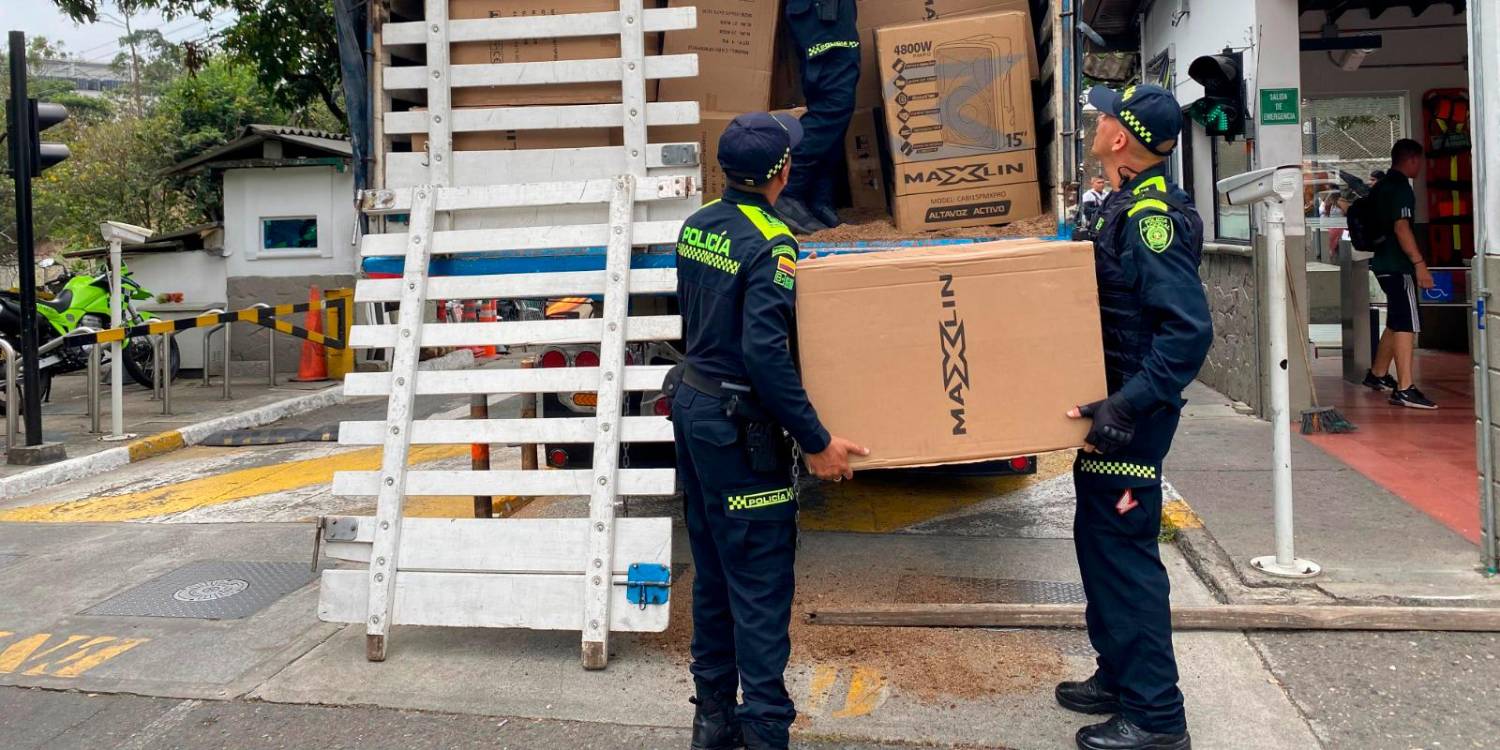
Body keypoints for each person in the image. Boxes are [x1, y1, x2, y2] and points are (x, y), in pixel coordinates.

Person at [670, 111, 868, 750]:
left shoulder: (698, 223)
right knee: (758, 585)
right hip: (738, 430)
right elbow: (765, 354)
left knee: (714, 573)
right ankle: (763, 731)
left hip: (695, 408)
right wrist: (816, 440)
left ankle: (713, 720)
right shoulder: (775, 243)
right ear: (782, 172)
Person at [1058, 84, 1213, 750]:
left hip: (1131, 415)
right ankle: (1120, 675)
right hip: (1112, 409)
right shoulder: (1123, 202)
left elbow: (1187, 332)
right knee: (1100, 546)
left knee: (1125, 558)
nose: (1095, 122)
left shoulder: (1153, 219)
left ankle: (1156, 717)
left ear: (1120, 137)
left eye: (1103, 116)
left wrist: (1127, 404)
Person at [1362, 139, 1438, 409]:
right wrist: (1419, 263)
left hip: (1381, 263)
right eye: (1421, 161)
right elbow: (1402, 228)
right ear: (1413, 159)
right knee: (1406, 323)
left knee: (1395, 320)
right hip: (1398, 265)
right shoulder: (1401, 188)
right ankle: (1405, 387)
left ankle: (1378, 373)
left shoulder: (1381, 186)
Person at [774, 0, 860, 235]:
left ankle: (815, 197)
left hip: (826, 11)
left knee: (832, 100)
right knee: (834, 102)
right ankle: (787, 187)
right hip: (821, 10)